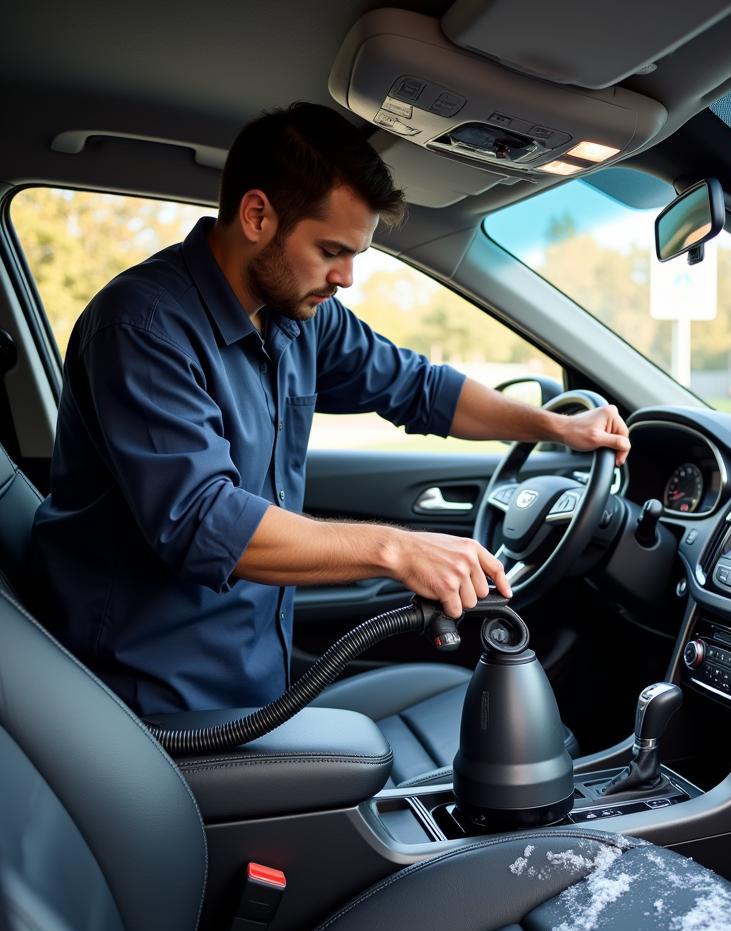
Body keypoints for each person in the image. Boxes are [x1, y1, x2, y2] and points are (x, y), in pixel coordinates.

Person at [31, 102, 629, 716]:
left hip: (254, 676)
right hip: (151, 704)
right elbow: (203, 521)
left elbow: (420, 389)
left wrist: (556, 426)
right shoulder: (145, 328)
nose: (345, 277)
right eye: (331, 250)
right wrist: (400, 551)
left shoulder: (295, 314)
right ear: (258, 215)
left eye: (356, 256)